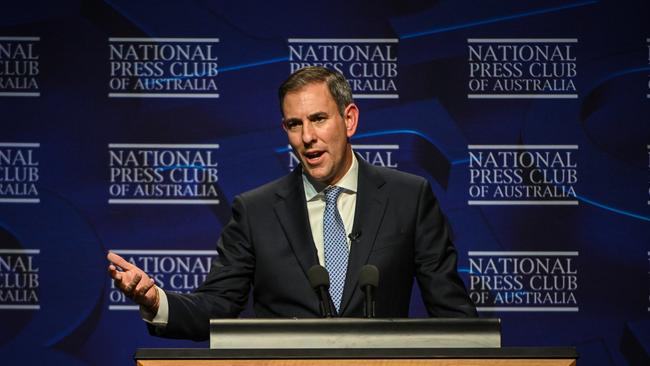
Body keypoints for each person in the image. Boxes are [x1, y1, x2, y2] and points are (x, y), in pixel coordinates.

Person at [107, 66, 477, 341]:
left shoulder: (408, 197)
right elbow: (217, 305)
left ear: (349, 119)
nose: (308, 137)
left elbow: (453, 315)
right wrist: (156, 300)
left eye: (318, 119)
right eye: (294, 124)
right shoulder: (256, 211)